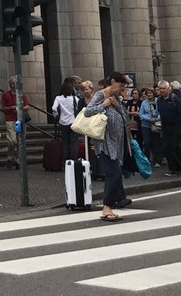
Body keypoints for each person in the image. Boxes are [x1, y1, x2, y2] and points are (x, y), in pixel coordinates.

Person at [83, 71, 131, 221]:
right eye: (120, 85)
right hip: (105, 143)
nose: (121, 89)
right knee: (114, 174)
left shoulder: (117, 98)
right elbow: (87, 112)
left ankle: (108, 206)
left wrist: (117, 107)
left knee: (115, 173)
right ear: (113, 82)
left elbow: (125, 119)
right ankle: (107, 207)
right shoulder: (100, 95)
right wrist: (103, 105)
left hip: (117, 143)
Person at [156, 80, 181, 175]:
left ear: (169, 89)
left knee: (176, 147)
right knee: (167, 148)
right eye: (160, 88)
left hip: (177, 125)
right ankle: (173, 169)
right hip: (166, 126)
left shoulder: (175, 99)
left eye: (163, 88)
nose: (161, 90)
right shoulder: (159, 100)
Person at [0, 77, 29, 169]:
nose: (13, 85)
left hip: (19, 120)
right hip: (10, 119)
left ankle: (17, 160)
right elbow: (3, 108)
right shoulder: (5, 94)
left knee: (20, 140)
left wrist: (19, 108)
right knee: (12, 141)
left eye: (15, 83)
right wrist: (11, 108)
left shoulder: (21, 94)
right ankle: (10, 157)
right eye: (12, 83)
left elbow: (27, 106)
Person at [51, 77, 80, 162]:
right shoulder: (75, 98)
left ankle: (66, 162)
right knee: (74, 142)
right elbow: (80, 108)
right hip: (73, 121)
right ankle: (74, 160)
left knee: (65, 143)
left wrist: (56, 115)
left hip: (63, 122)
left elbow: (54, 108)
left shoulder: (58, 98)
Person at [138, 87, 161, 165]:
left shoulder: (158, 101)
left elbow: (160, 112)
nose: (149, 94)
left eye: (151, 93)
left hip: (156, 125)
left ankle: (157, 161)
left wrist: (156, 119)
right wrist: (149, 119)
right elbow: (141, 114)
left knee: (156, 143)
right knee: (147, 143)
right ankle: (147, 160)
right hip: (145, 125)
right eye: (148, 93)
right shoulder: (144, 102)